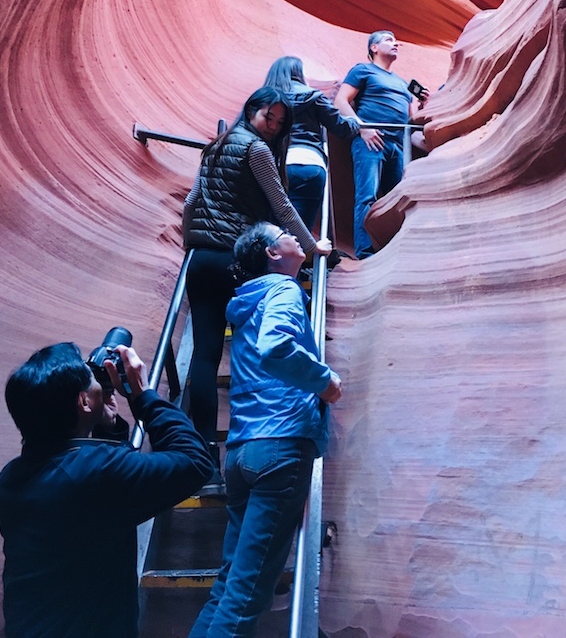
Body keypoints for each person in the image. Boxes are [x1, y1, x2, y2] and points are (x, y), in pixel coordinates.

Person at [0, 339, 213, 638]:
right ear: (84, 402)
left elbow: (96, 499)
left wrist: (108, 427)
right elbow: (195, 462)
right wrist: (142, 394)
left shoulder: (10, 479)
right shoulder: (95, 472)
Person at [189, 221, 342, 637]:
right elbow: (277, 347)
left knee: (228, 587)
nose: (297, 236)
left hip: (242, 453)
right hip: (281, 443)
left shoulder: (246, 302)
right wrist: (324, 381)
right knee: (246, 596)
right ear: (273, 254)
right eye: (286, 234)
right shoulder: (283, 290)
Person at [182, 87, 332, 490]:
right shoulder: (257, 150)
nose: (275, 126)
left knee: (205, 355)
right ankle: (253, 444)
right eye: (271, 117)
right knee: (252, 348)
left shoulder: (216, 146)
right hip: (234, 258)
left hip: (200, 259)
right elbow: (281, 205)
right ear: (253, 110)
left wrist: (191, 245)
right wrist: (310, 245)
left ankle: (203, 460)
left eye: (282, 123)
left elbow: (192, 201)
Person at [335, 30, 427, 259]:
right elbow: (340, 101)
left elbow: (409, 120)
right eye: (388, 40)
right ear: (373, 48)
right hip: (370, 141)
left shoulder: (403, 84)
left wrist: (423, 105)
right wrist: (362, 128)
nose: (396, 43)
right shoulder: (363, 70)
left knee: (399, 199)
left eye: (396, 40)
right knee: (367, 195)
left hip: (397, 146)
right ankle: (365, 252)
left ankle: (397, 249)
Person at [263, 56, 360, 229]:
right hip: (309, 163)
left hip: (272, 165)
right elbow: (341, 128)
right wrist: (356, 123)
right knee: (299, 233)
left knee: (270, 230)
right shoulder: (313, 96)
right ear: (298, 73)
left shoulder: (264, 99)